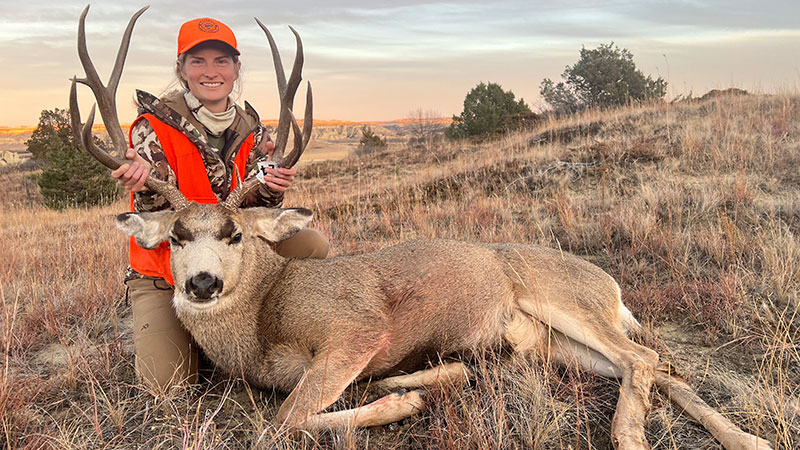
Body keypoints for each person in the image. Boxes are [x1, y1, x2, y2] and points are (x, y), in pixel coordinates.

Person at [111, 17, 329, 390]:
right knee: (166, 386)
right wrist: (142, 183)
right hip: (168, 270)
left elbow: (254, 204)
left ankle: (263, 322)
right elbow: (156, 223)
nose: (210, 72)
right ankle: (200, 340)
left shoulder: (254, 131)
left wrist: (273, 188)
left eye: (221, 61)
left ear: (236, 68)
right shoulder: (152, 127)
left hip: (231, 258)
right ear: (181, 68)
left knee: (311, 245)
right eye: (198, 61)